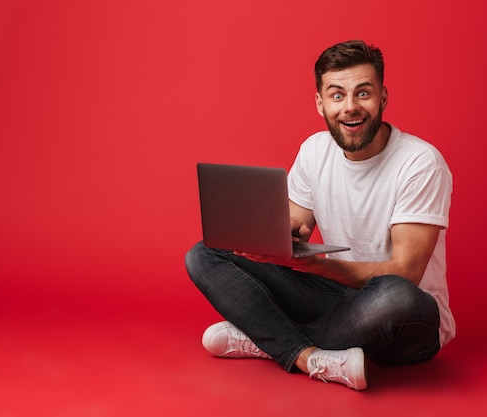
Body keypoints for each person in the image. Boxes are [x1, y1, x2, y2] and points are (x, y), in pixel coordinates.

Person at [185, 40, 454, 390]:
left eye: (363, 93)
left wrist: (320, 266)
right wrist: (279, 240)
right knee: (206, 252)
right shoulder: (314, 151)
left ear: (383, 98)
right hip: (337, 295)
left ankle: (269, 340)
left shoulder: (419, 163)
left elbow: (406, 272)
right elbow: (295, 224)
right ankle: (308, 355)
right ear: (320, 103)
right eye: (337, 95)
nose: (350, 107)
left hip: (407, 319)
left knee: (393, 295)